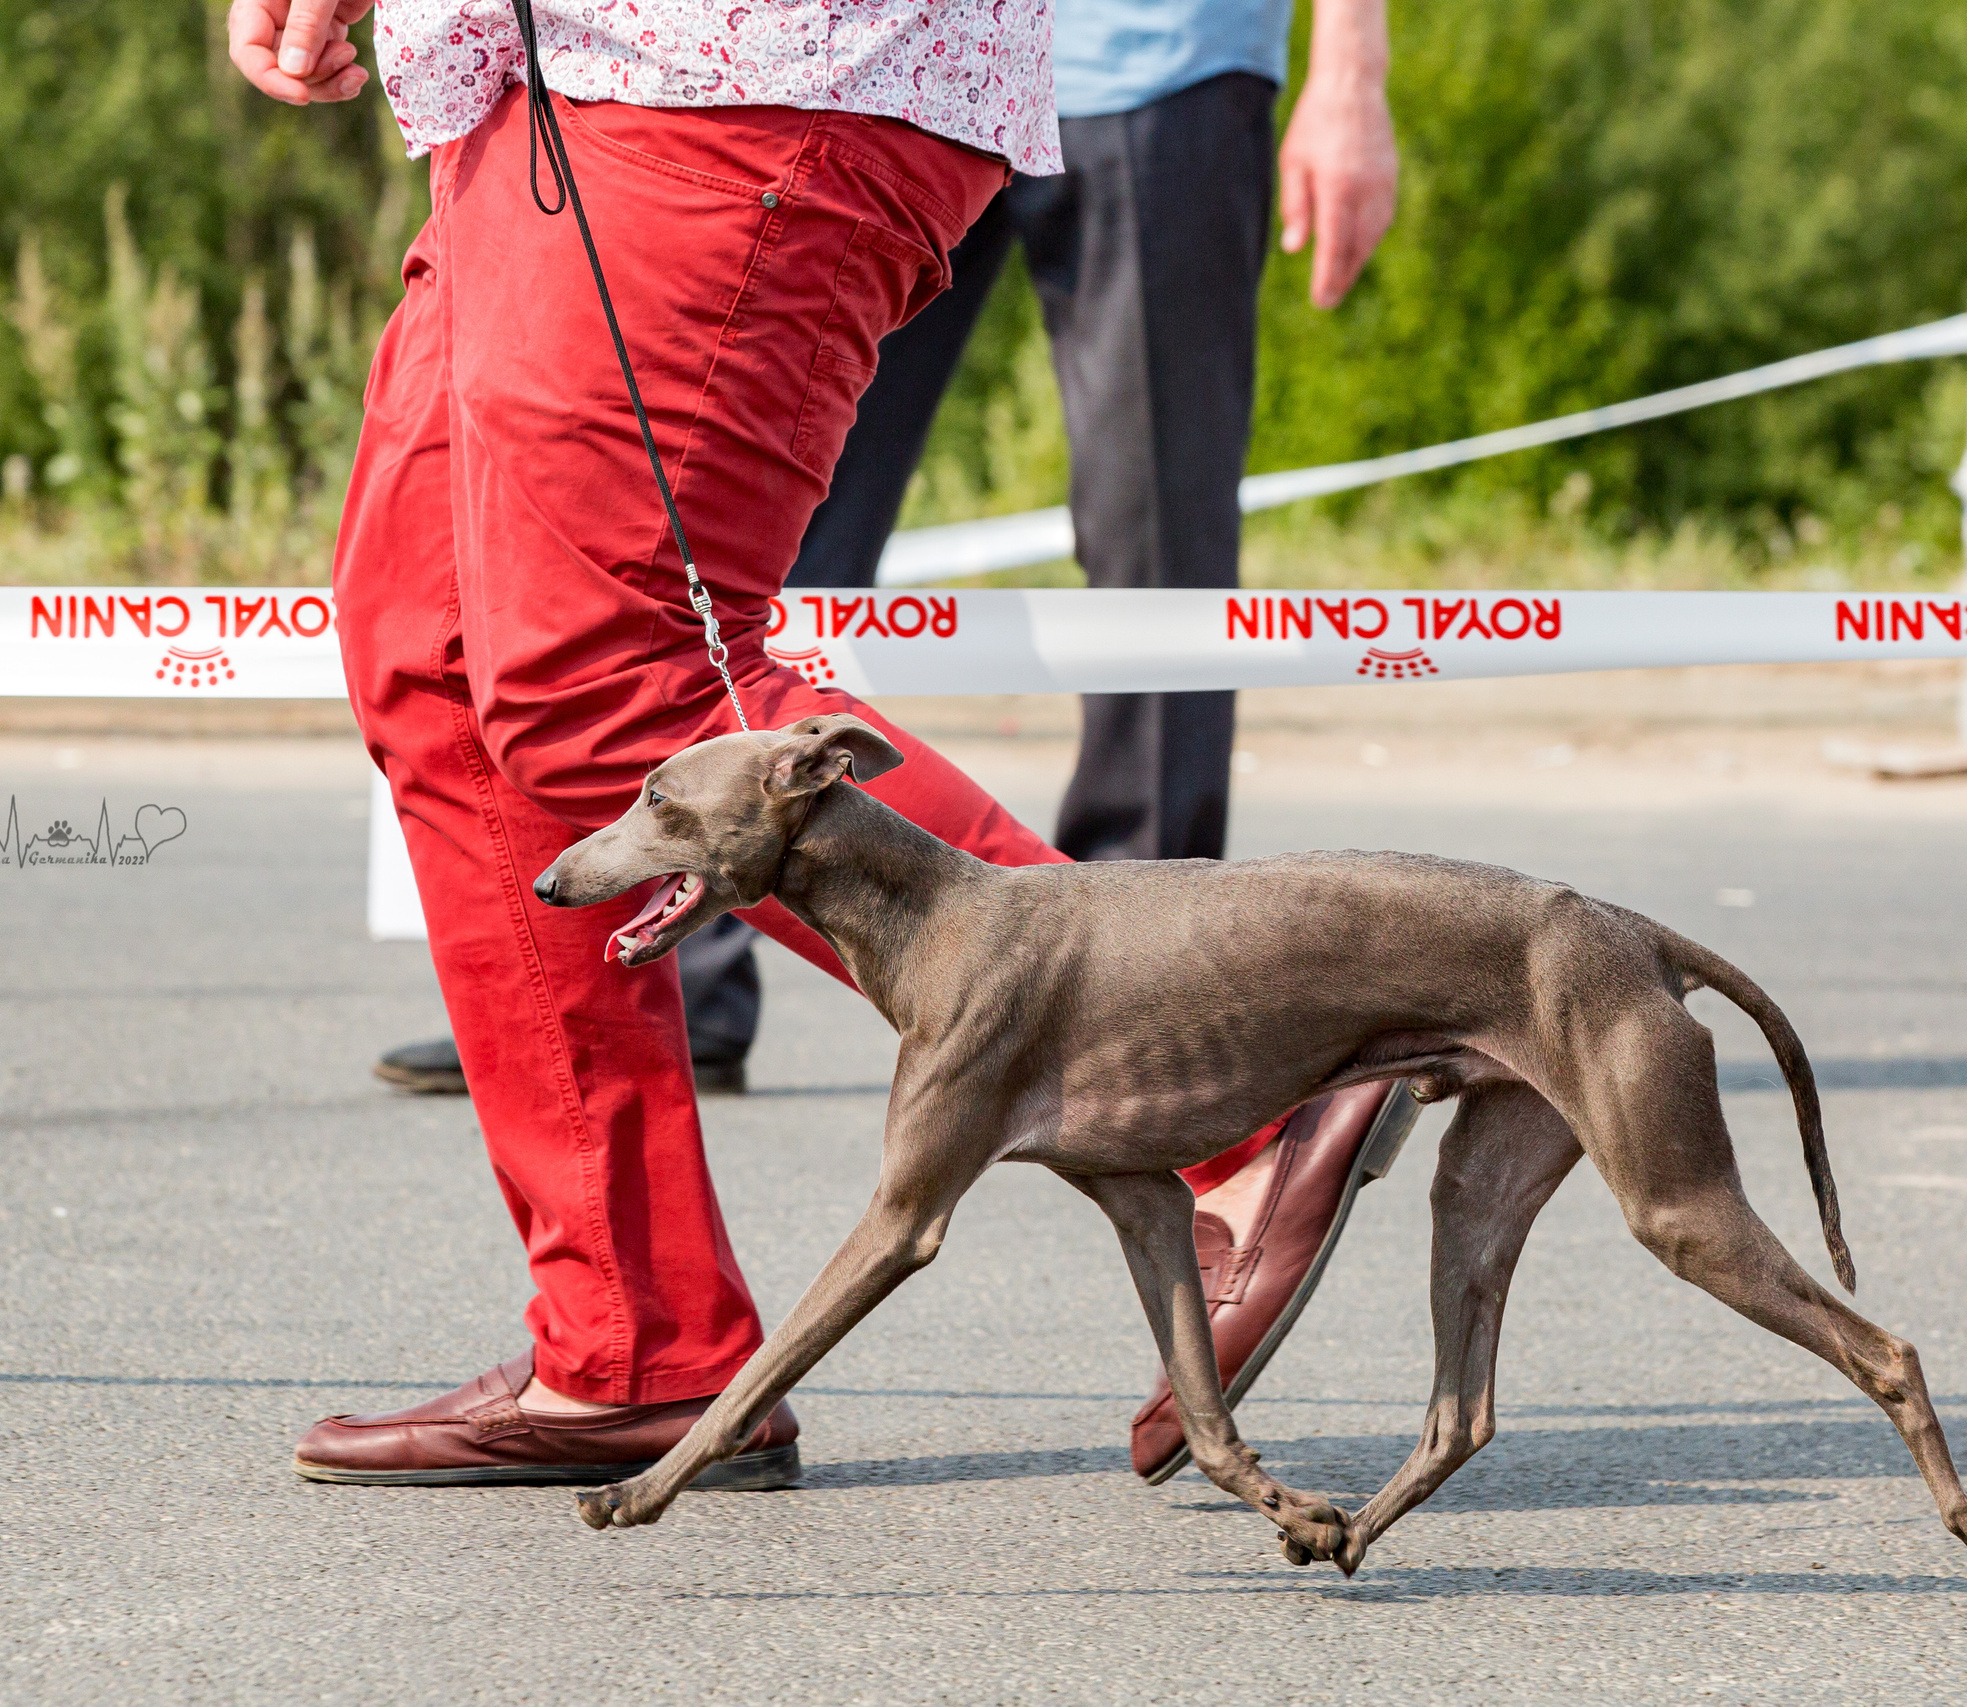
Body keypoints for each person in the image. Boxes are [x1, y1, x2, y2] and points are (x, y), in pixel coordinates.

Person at [239, 0, 1396, 1491]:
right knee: (439, 662)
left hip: (736, 75)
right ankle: (633, 1348)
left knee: (607, 673)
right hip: (550, 86)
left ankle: (1229, 1093)